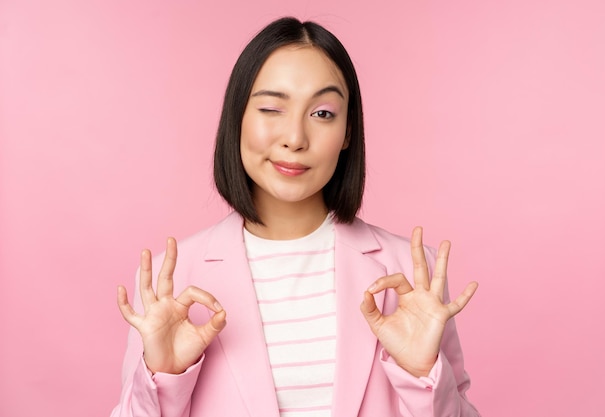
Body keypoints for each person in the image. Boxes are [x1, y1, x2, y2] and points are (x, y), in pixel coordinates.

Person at [111, 16, 480, 417]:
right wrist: (163, 377)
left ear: (348, 131)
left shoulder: (411, 273)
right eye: (271, 108)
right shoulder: (173, 276)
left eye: (322, 113)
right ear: (237, 118)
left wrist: (423, 375)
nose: (295, 138)